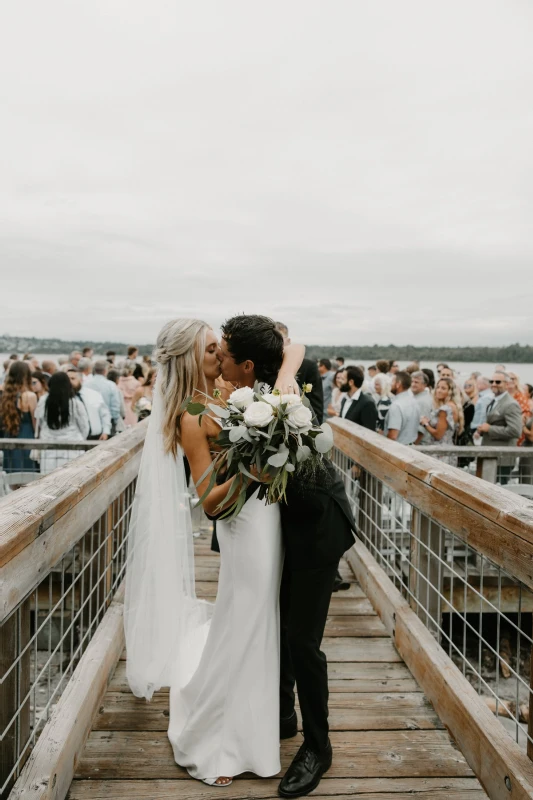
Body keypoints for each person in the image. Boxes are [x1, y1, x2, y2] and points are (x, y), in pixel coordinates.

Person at [125, 317, 304, 788]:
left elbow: (290, 350)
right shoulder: (189, 416)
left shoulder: (230, 393)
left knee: (259, 625)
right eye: (210, 349)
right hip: (244, 527)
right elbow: (209, 501)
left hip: (268, 521)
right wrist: (252, 471)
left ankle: (252, 737)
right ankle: (217, 742)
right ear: (190, 358)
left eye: (220, 348)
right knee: (244, 623)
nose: (219, 354)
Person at [218, 315, 355, 798]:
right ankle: (282, 715)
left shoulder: (283, 399)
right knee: (276, 622)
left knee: (302, 639)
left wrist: (288, 365)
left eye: (224, 353)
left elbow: (280, 429)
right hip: (285, 528)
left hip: (319, 526)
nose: (217, 359)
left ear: (250, 364)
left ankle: (319, 747)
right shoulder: (252, 395)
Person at [34, 372, 90, 475]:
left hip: (48, 448)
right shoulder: (75, 403)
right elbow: (84, 426)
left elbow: (40, 423)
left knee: (48, 480)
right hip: (73, 448)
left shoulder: (43, 401)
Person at [477, 372, 523, 484]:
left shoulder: (511, 404)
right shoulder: (494, 400)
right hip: (489, 455)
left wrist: (490, 429)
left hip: (502, 459)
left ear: (507, 384)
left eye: (498, 382)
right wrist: (482, 430)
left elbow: (515, 431)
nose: (494, 384)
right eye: (491, 381)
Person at [275, 322, 323, 424]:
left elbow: (316, 404)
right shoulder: (266, 366)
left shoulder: (309, 366)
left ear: (288, 341)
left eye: (280, 338)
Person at [0, 361, 37, 474]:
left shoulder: (4, 395)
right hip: (27, 436)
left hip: (9, 435)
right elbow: (35, 422)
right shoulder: (30, 396)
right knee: (28, 474)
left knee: (13, 475)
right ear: (27, 375)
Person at [420, 377, 463, 465]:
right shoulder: (454, 406)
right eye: (438, 387)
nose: (439, 390)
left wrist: (425, 424)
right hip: (449, 449)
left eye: (443, 388)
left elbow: (438, 435)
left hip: (439, 452)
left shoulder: (445, 409)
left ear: (450, 391)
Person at [67, 367, 111, 440]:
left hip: (96, 437)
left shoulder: (94, 394)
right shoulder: (65, 398)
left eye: (73, 378)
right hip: (76, 439)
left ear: (81, 380)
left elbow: (104, 414)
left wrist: (106, 431)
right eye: (67, 379)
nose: (70, 382)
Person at [85, 360, 122, 431]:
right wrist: (115, 420)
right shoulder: (111, 385)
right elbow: (115, 406)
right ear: (105, 371)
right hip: (108, 420)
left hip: (90, 420)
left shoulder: (86, 384)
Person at [384, 372, 419, 444]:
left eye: (392, 381)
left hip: (398, 449)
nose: (390, 384)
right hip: (412, 448)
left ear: (398, 384)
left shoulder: (396, 405)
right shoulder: (414, 402)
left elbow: (393, 436)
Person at [506, 372, 531, 445]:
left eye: (512, 378)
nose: (510, 380)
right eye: (508, 378)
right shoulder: (502, 395)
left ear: (517, 381)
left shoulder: (521, 397)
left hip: (517, 429)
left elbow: (524, 415)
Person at [410, 371, 433, 445]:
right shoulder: (418, 398)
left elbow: (421, 430)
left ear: (425, 385)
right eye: (412, 381)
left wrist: (412, 446)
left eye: (416, 382)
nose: (413, 384)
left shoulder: (422, 402)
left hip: (420, 444)